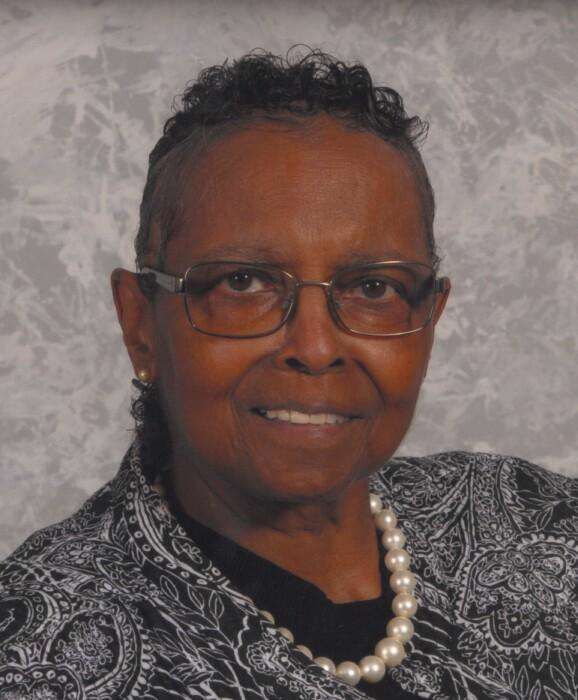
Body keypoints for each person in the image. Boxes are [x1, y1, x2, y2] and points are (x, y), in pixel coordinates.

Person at [0, 48, 576, 700]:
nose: (316, 346)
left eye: (373, 287)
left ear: (429, 319)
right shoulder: (40, 657)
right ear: (141, 324)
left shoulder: (536, 524)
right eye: (244, 283)